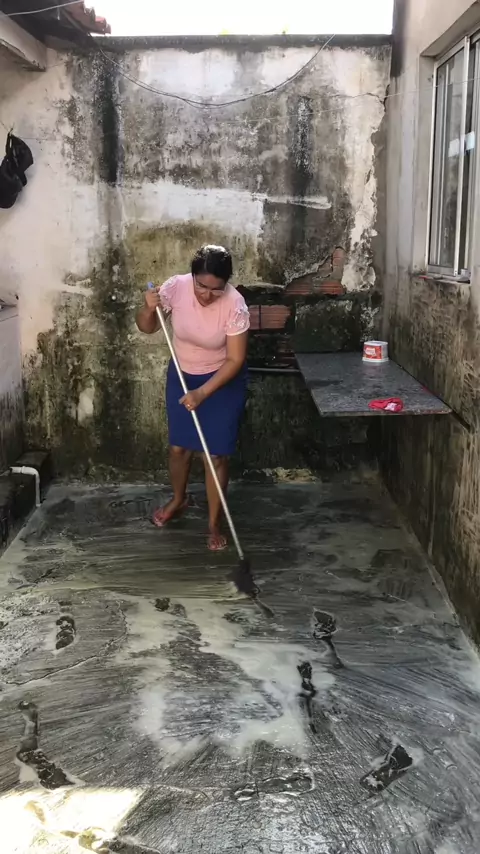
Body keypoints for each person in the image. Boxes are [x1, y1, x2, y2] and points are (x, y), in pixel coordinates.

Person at [136, 244, 250, 551]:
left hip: (222, 380)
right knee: (178, 448)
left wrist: (202, 392)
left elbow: (235, 360)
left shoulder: (234, 304)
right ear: (192, 276)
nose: (207, 295)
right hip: (182, 374)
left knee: (215, 455)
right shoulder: (176, 288)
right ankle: (179, 499)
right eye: (201, 286)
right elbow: (147, 327)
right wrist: (148, 307)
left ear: (226, 284)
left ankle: (213, 522)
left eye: (216, 289)